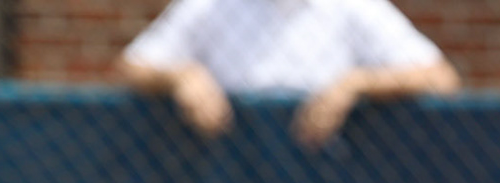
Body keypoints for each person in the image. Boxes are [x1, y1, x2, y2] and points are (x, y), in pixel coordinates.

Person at [116, 0, 460, 148]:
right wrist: (182, 75)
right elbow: (131, 67)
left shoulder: (352, 5)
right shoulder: (209, 5)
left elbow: (440, 77)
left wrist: (357, 83)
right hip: (227, 173)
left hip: (327, 180)